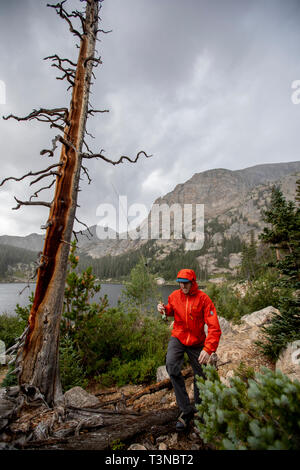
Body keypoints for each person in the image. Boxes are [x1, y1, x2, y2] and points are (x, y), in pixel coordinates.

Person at [157, 268, 221, 432]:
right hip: (178, 337)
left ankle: (200, 409)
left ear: (193, 282)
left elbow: (214, 327)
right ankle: (186, 410)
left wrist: (208, 349)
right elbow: (171, 310)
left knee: (201, 374)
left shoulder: (203, 299)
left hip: (197, 342)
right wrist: (164, 309)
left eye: (186, 283)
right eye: (180, 283)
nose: (183, 286)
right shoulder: (174, 295)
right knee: (171, 366)